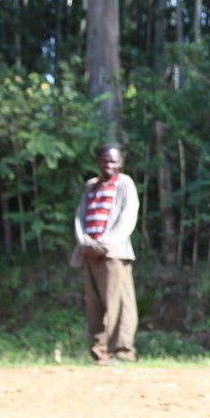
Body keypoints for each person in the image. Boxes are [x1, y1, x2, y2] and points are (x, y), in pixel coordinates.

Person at [70, 143, 138, 365]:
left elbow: (128, 217)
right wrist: (85, 242)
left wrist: (103, 244)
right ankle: (99, 353)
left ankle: (121, 352)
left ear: (120, 162)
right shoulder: (91, 185)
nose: (110, 165)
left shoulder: (125, 183)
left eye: (114, 161)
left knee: (118, 304)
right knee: (94, 306)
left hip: (113, 254)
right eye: (106, 160)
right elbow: (80, 216)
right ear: (98, 161)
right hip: (89, 253)